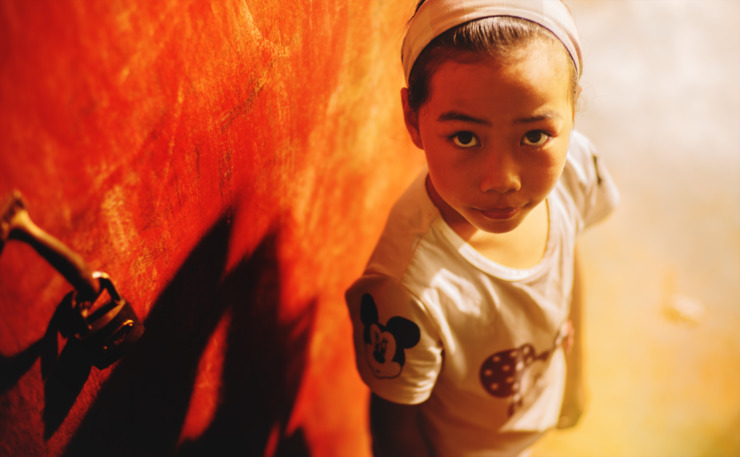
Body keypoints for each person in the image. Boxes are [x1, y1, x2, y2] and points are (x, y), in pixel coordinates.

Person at [345, 0, 619, 456]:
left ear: (573, 107)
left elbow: (568, 258)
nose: (502, 180)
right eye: (465, 138)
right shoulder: (404, 291)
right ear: (413, 118)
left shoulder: (571, 171)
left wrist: (575, 373)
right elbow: (397, 434)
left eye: (534, 136)